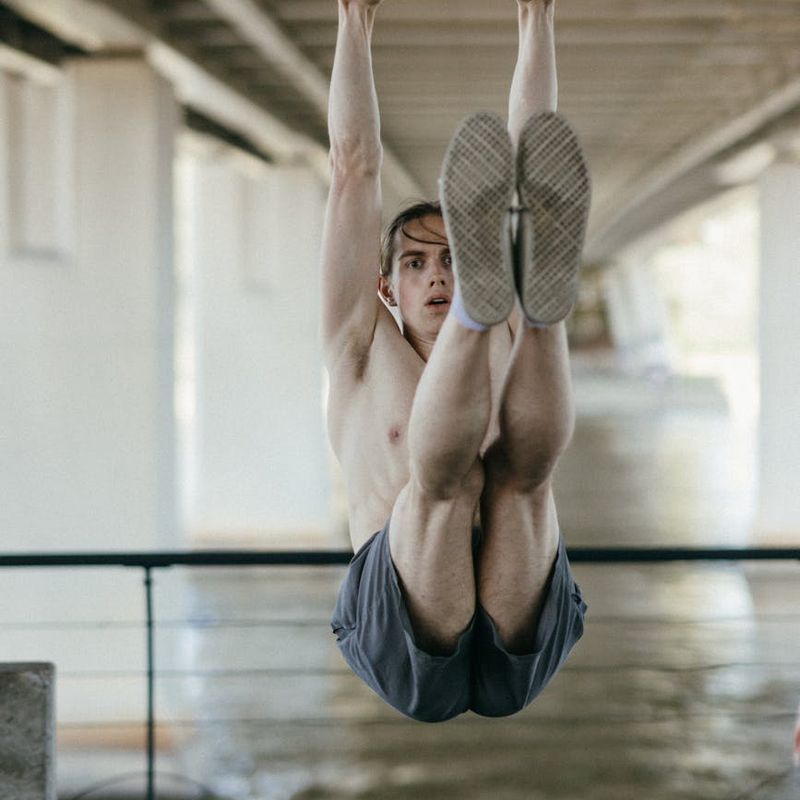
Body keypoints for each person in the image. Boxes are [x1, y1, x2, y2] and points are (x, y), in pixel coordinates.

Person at [324, 0, 590, 722]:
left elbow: (531, 159)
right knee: (436, 482)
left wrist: (536, 19)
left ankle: (541, 309)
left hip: (521, 604)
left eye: (454, 260)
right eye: (417, 263)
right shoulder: (359, 346)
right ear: (387, 287)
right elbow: (353, 169)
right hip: (395, 626)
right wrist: (353, 20)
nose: (436, 273)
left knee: (523, 478)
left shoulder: (504, 317)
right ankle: (512, 304)